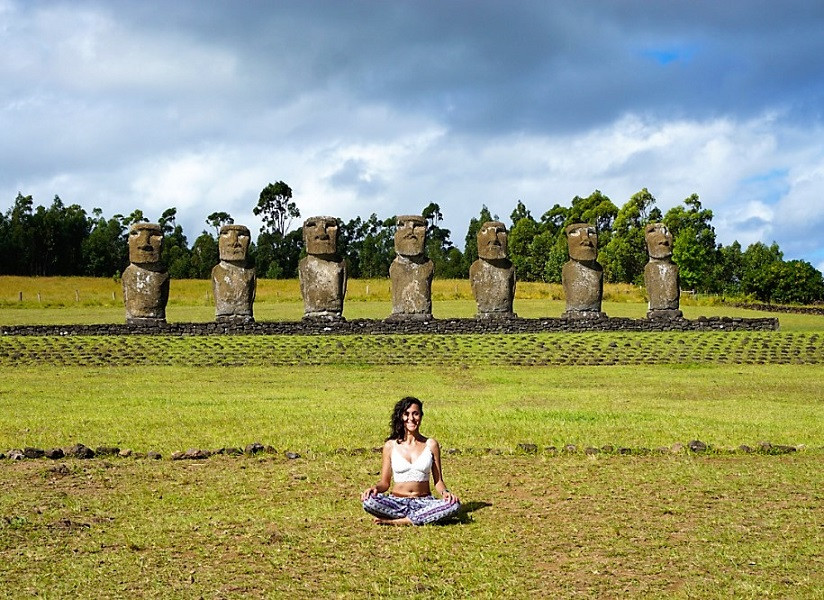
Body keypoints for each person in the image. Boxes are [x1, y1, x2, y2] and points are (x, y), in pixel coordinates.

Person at [361, 397, 461, 526]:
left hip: (424, 501)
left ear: (421, 416)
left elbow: (438, 481)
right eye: (406, 414)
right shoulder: (390, 446)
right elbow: (384, 483)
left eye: (415, 414)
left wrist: (446, 493)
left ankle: (401, 521)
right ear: (401, 417)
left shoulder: (431, 444)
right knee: (368, 501)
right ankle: (422, 517)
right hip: (397, 502)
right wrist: (374, 488)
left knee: (454, 505)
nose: (411, 418)